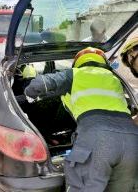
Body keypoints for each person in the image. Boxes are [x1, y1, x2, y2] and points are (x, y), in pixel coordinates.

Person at [24, 47, 138, 192]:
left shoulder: (75, 74)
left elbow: (40, 84)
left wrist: (28, 94)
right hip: (132, 140)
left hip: (97, 137)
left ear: (78, 62)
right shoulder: (115, 79)